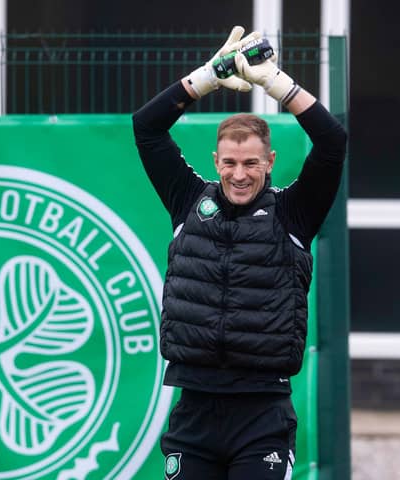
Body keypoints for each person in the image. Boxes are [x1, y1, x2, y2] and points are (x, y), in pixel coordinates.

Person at [132, 26, 347, 480]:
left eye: (251, 163)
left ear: (269, 162)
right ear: (215, 162)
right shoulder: (188, 201)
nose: (240, 174)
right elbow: (146, 127)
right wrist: (209, 76)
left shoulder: (294, 214)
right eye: (230, 163)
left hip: (262, 416)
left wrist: (274, 83)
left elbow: (332, 142)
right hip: (194, 412)